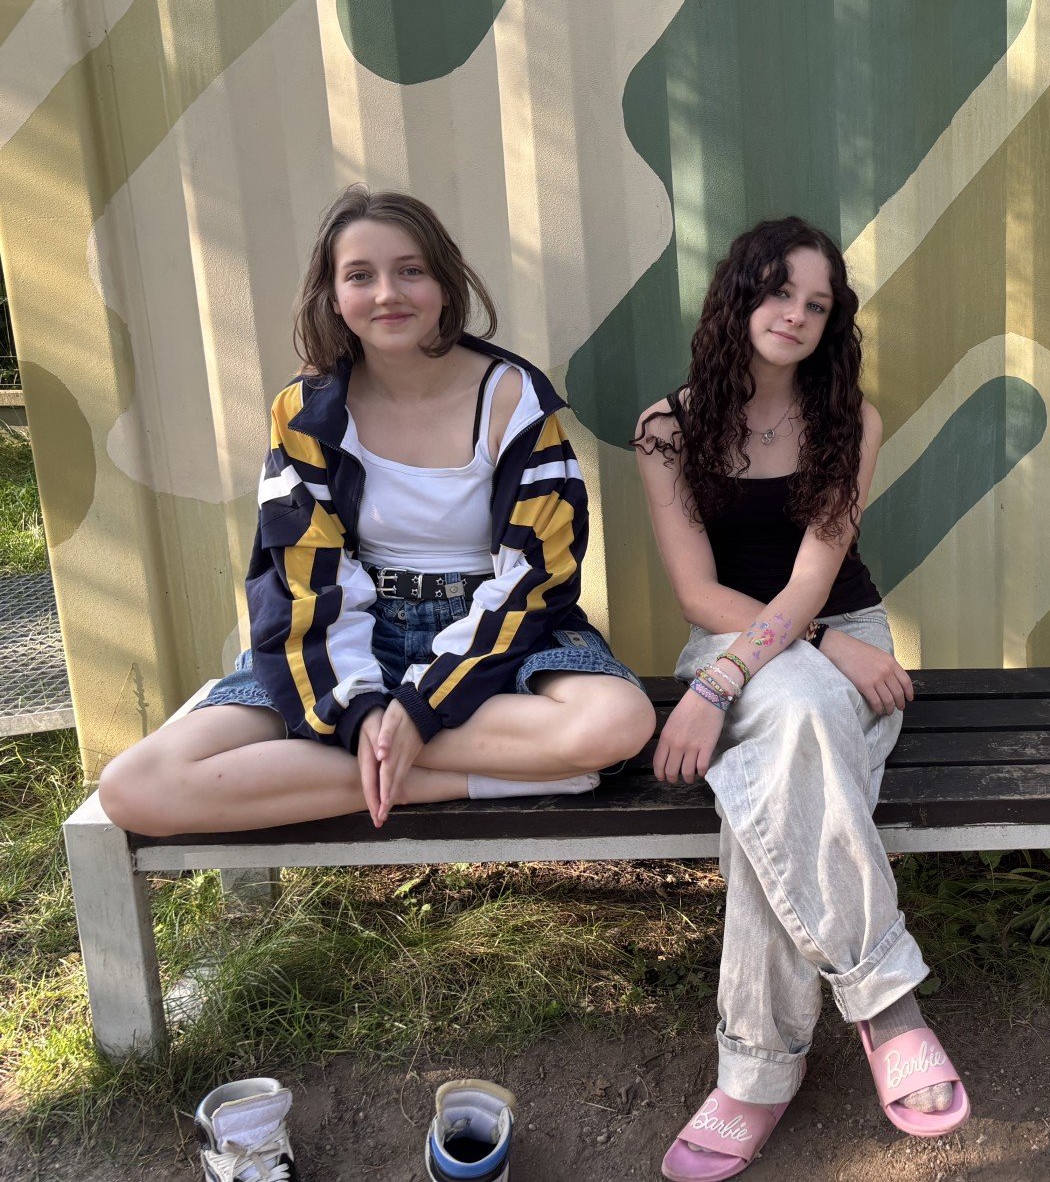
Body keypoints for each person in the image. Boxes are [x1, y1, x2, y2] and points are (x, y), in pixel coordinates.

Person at [99, 187, 656, 836]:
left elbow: (539, 575)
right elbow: (303, 578)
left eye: (410, 270)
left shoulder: (514, 399)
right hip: (349, 632)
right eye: (360, 275)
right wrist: (358, 708)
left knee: (618, 722)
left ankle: (359, 766)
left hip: (495, 632)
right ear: (333, 296)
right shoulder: (306, 412)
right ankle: (468, 777)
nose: (388, 293)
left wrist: (423, 706)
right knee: (135, 787)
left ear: (444, 284)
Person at [635, 216, 970, 1180]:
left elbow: (814, 581)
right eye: (780, 291)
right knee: (803, 714)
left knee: (773, 792)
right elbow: (698, 592)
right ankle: (888, 1003)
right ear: (738, 295)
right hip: (736, 634)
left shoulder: (848, 421)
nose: (795, 314)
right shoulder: (667, 430)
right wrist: (737, 668)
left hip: (847, 634)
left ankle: (755, 1077)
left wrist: (792, 657)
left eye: (817, 304)